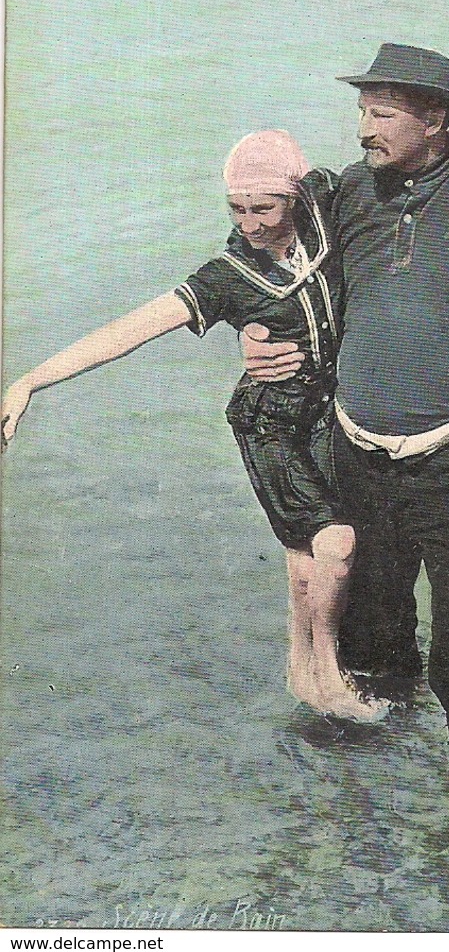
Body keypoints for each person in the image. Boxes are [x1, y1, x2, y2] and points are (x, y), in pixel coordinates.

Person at [1, 129, 387, 724]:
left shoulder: (321, 215)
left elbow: (370, 175)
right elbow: (130, 331)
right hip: (270, 422)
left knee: (303, 555)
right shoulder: (228, 275)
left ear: (293, 196)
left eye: (265, 208)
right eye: (238, 209)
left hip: (326, 413)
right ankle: (329, 673)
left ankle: (300, 668)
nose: (252, 224)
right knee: (336, 545)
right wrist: (30, 380)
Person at [243, 43, 449, 774]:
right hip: (356, 451)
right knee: (375, 627)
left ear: (436, 117)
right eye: (361, 111)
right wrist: (256, 332)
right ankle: (376, 762)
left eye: (381, 114)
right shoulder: (349, 190)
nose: (361, 129)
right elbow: (265, 245)